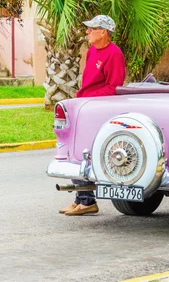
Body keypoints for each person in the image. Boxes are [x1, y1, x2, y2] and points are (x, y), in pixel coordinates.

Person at [59, 14, 126, 216]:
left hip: (98, 109)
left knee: (84, 152)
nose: (87, 32)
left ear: (103, 32)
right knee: (74, 150)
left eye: (91, 29)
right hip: (84, 106)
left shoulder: (114, 54)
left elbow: (114, 87)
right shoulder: (91, 52)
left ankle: (87, 201)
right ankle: (82, 198)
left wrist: (89, 97)